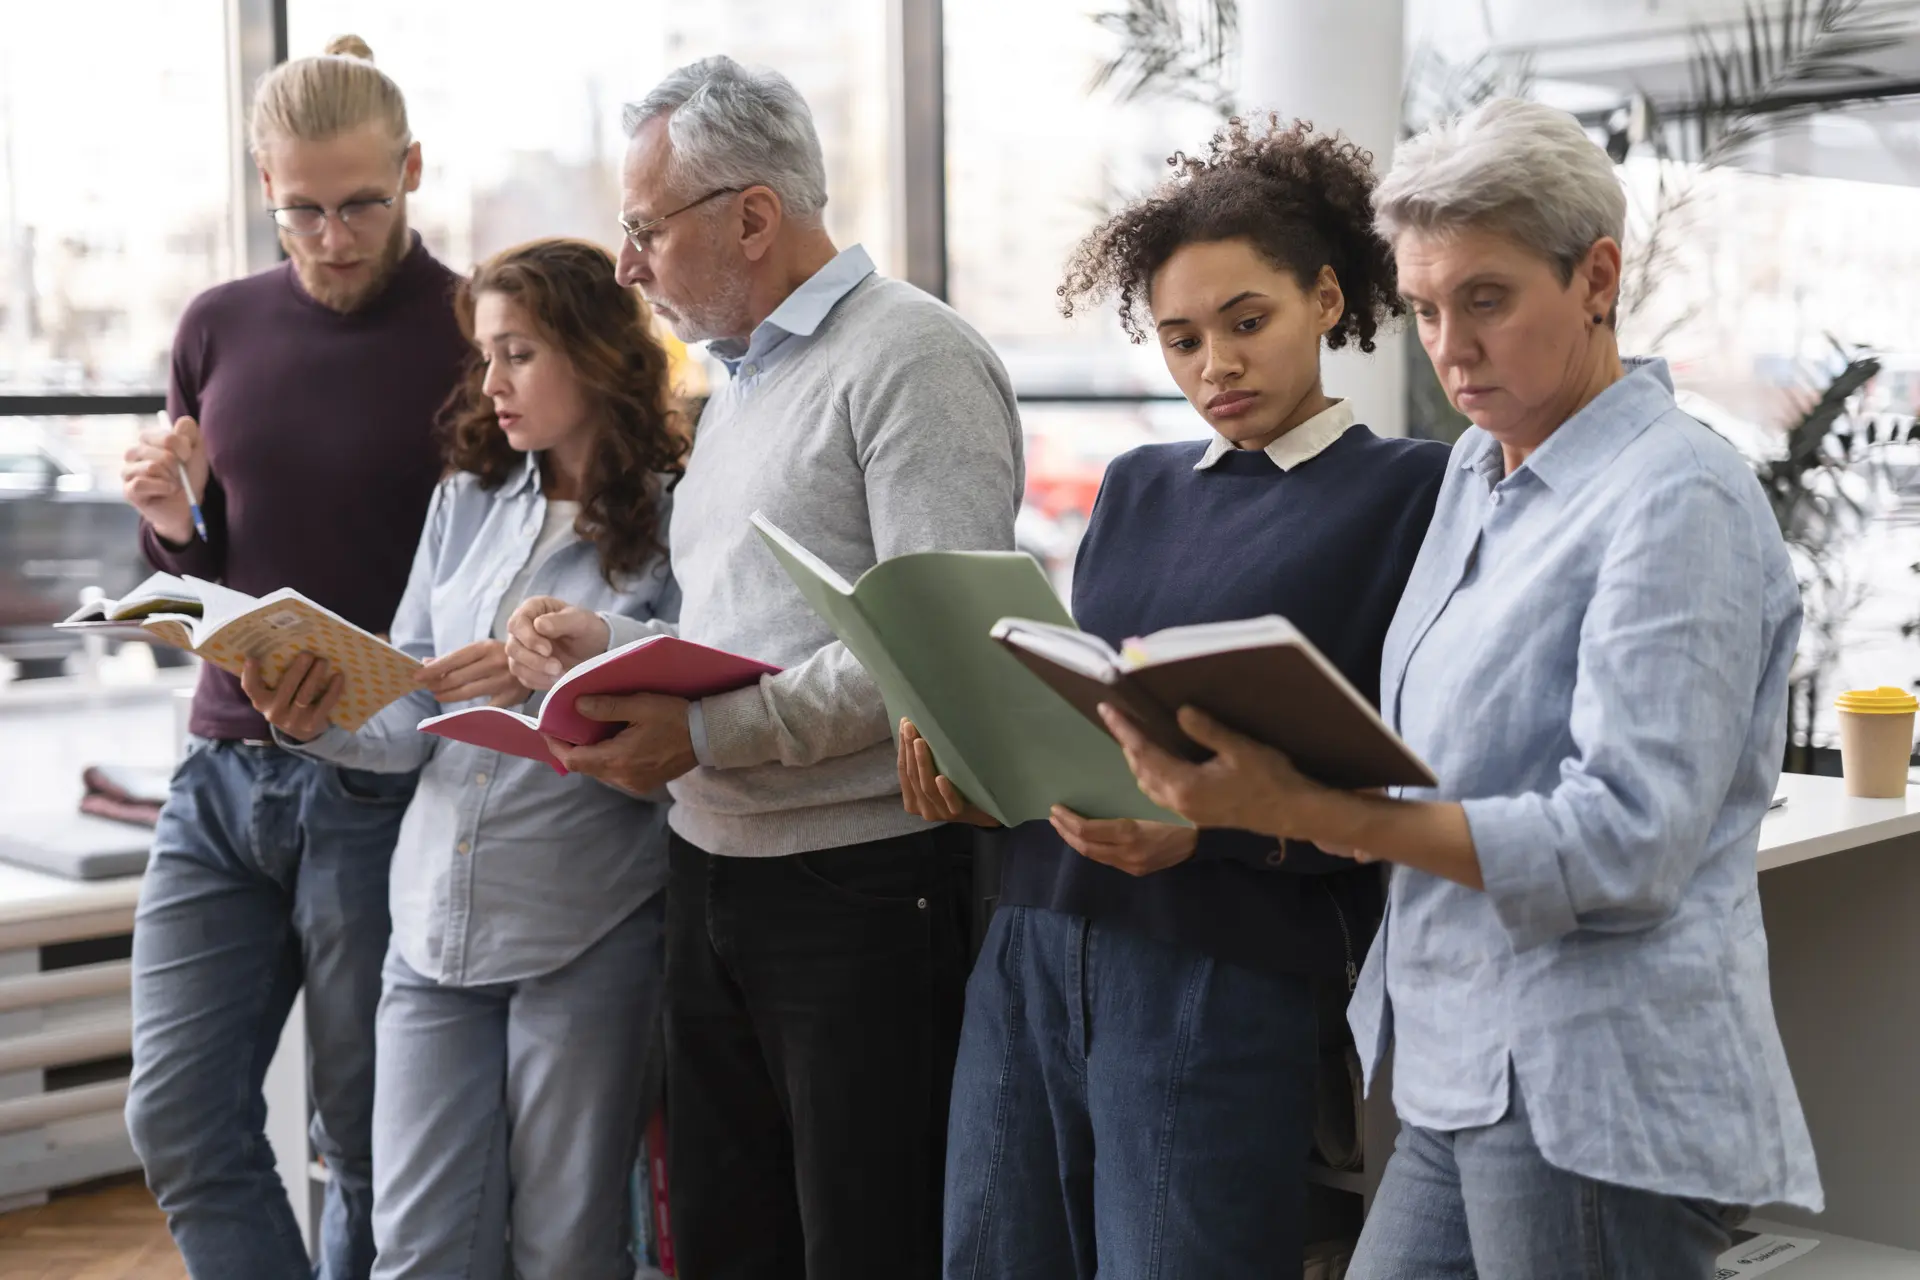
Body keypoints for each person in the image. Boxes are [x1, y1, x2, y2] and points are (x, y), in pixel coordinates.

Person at [1100, 98, 1822, 1280]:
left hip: (1591, 1082)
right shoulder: (1476, 476)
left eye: (1485, 300)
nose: (1449, 346)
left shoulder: (1676, 495)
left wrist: (1303, 807)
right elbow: (1437, 748)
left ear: (1597, 278)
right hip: (1455, 1058)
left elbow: (1626, 842)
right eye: (1427, 308)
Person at [898, 117, 1448, 1279]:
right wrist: (986, 772)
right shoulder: (1138, 484)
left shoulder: (1412, 491)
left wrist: (1205, 828)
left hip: (1220, 956)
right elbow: (1090, 716)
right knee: (990, 1257)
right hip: (1034, 930)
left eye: (1247, 322)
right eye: (1183, 338)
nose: (1216, 367)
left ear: (1328, 298)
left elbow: (1404, 772)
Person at [501, 56, 1024, 1279]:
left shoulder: (914, 358)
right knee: (730, 1242)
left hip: (861, 887)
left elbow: (935, 652)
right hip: (711, 868)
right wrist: (616, 652)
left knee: (864, 1240)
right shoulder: (739, 383)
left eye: (643, 230)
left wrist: (704, 737)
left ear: (750, 215)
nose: (626, 266)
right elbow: (752, 634)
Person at [241, 238, 681, 1280]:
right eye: (486, 355)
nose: (492, 384)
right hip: (432, 929)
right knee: (419, 1250)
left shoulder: (680, 516)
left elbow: (692, 727)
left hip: (588, 929)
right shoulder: (467, 500)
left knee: (568, 1250)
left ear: (598, 354)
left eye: (519, 353)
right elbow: (409, 712)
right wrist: (311, 716)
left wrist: (571, 670)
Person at [117, 37, 469, 1280]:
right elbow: (196, 565)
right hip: (219, 774)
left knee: (367, 1141)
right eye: (302, 209)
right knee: (176, 1111)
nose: (330, 235)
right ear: (266, 189)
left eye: (362, 203)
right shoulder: (216, 325)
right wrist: (172, 523)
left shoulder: (476, 335)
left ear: (413, 169)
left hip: (377, 787)